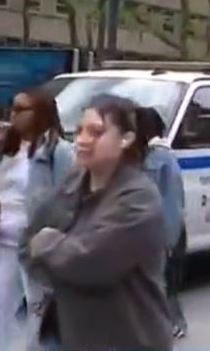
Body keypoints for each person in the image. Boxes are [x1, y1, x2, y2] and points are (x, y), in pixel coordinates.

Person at [20, 94, 171, 350]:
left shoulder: (138, 198)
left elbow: (88, 263)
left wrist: (48, 242)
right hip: (62, 332)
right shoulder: (74, 179)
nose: (82, 140)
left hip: (122, 339)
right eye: (79, 131)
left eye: (96, 132)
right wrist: (57, 260)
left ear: (126, 139)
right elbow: (27, 241)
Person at [0, 88, 73, 348]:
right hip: (4, 241)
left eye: (22, 109)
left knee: (38, 312)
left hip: (35, 246)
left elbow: (68, 199)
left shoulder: (58, 151)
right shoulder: (8, 147)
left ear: (41, 114)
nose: (13, 114)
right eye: (12, 107)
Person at [136, 107, 188, 339]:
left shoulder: (162, 158)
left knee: (164, 282)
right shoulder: (137, 155)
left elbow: (172, 201)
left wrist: (168, 238)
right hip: (143, 231)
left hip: (164, 231)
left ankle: (175, 323)